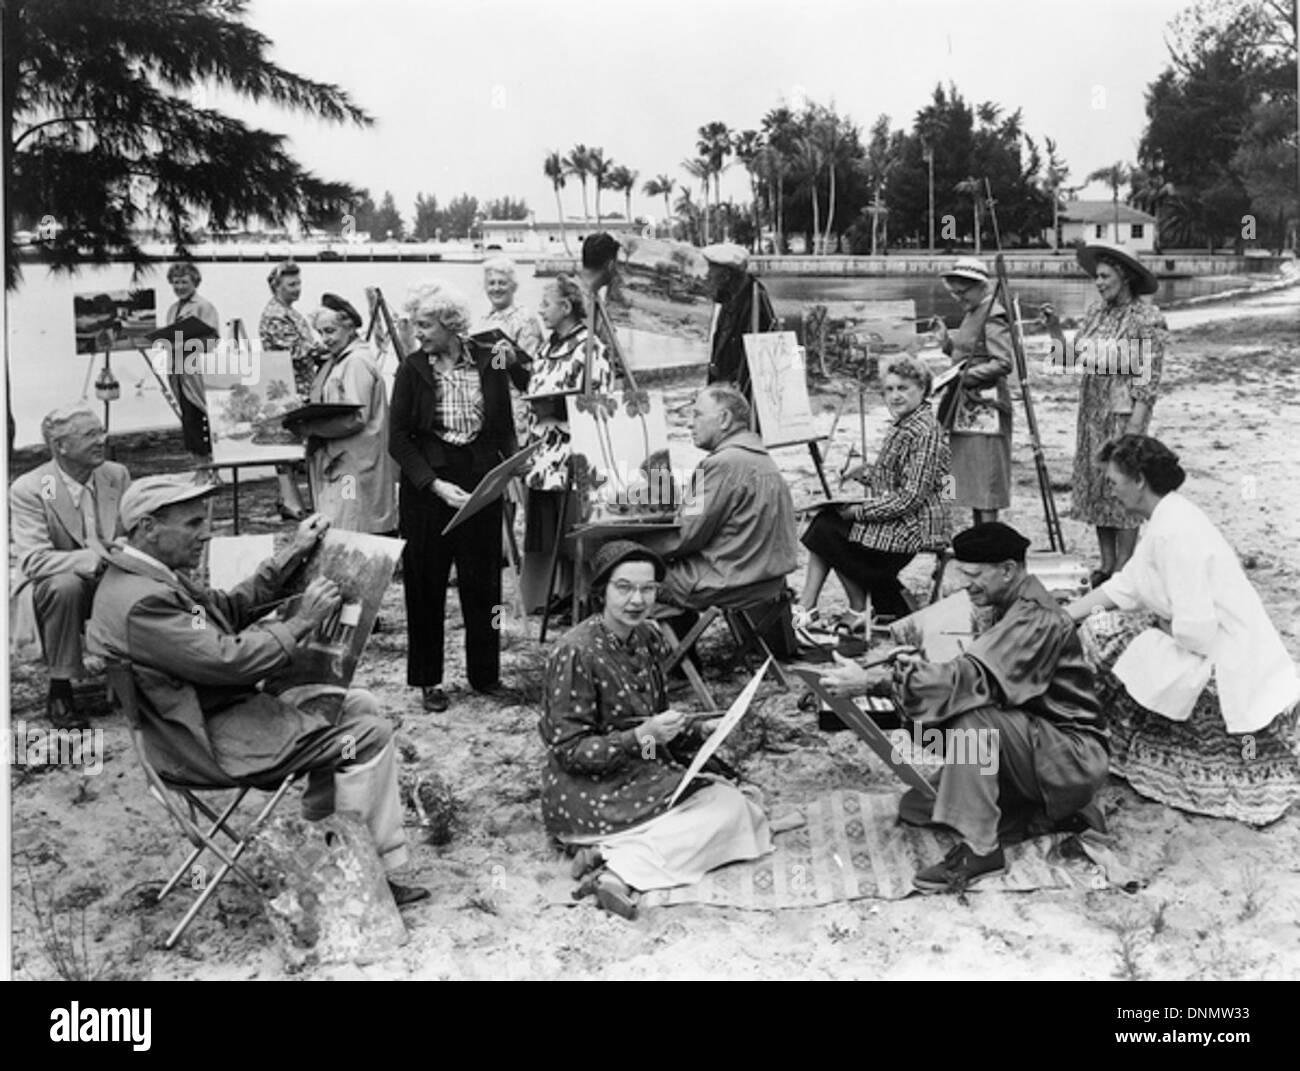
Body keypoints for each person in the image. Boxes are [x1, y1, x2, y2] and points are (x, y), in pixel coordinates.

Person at [85, 475, 427, 905]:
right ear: (148, 528)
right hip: (201, 740)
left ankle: (325, 837)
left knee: (357, 703)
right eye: (192, 524)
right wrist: (302, 621)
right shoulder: (143, 602)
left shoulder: (147, 577)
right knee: (369, 734)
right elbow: (228, 660)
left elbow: (225, 610)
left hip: (203, 716)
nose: (205, 533)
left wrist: (294, 553)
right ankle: (363, 873)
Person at [820, 522, 1109, 894]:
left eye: (975, 576)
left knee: (974, 718)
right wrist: (917, 665)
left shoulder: (1036, 618)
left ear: (1008, 569)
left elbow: (971, 679)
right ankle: (1038, 815)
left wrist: (877, 682)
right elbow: (975, 673)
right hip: (1034, 742)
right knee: (919, 806)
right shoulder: (1005, 604)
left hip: (1070, 758)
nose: (967, 585)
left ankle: (983, 850)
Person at [1065, 435, 1300, 825]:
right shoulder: (1167, 517)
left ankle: (1152, 755)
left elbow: (1197, 632)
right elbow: (1128, 584)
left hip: (1225, 657)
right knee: (1100, 625)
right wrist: (1066, 613)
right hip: (1212, 640)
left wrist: (1155, 625)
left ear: (1139, 480)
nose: (1111, 490)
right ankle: (1130, 749)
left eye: (1114, 481)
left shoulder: (1175, 532)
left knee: (1107, 637)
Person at [539, 540, 773, 919]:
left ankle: (608, 857)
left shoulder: (647, 638)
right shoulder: (575, 651)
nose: (637, 600)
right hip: (585, 789)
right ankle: (618, 868)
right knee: (731, 810)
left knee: (740, 804)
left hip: (637, 770)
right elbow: (569, 751)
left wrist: (698, 730)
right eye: (624, 587)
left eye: (648, 589)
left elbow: (652, 724)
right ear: (601, 591)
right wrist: (643, 738)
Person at [389, 281, 531, 713]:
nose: (418, 333)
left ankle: (485, 674)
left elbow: (509, 412)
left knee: (484, 584)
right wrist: (431, 483)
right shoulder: (412, 368)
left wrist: (513, 460)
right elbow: (397, 438)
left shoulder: (490, 359)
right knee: (425, 585)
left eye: (426, 325)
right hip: (429, 488)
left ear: (451, 325)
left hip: (481, 482)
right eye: (415, 324)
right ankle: (428, 680)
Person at [794, 354, 951, 636]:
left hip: (915, 528)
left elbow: (910, 497)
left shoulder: (925, 431)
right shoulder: (906, 424)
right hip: (904, 519)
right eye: (889, 389)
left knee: (828, 529)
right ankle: (816, 606)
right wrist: (863, 474)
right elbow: (893, 482)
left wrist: (858, 511)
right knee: (827, 522)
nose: (895, 396)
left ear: (923, 388)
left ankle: (838, 606)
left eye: (903, 388)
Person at [1044, 241, 1167, 585]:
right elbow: (1067, 359)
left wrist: (1136, 428)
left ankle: (1125, 567)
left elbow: (1148, 379)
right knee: (1100, 483)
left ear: (1124, 276)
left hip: (1123, 413)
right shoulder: (1095, 313)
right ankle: (1107, 562)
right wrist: (1053, 327)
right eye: (1096, 277)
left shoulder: (1147, 319)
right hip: (1092, 411)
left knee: (1123, 484)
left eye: (1104, 276)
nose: (1098, 283)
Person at [10, 407, 130, 728]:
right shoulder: (33, 487)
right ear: (60, 446)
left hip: (111, 576)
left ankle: (139, 677)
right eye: (91, 435)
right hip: (55, 586)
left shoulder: (115, 475)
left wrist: (121, 552)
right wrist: (91, 559)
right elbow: (34, 560)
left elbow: (129, 532)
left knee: (140, 581)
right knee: (66, 586)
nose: (102, 440)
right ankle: (60, 687)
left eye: (101, 431)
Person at [642, 384, 798, 614]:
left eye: (697, 415)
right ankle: (684, 644)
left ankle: (672, 647)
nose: (689, 423)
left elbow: (685, 535)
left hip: (723, 582)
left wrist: (636, 546)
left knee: (626, 577)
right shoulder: (764, 461)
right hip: (765, 581)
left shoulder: (719, 464)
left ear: (724, 419)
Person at [519, 273, 612, 613]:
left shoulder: (590, 348)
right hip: (544, 451)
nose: (540, 311)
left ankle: (583, 595)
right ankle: (560, 593)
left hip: (572, 449)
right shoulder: (547, 346)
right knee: (549, 531)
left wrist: (562, 408)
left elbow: (601, 401)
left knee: (574, 528)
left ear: (566, 306)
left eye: (546, 304)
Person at [289, 293, 396, 534]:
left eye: (330, 331)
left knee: (350, 521)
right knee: (342, 518)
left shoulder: (356, 362)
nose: (325, 339)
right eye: (321, 333)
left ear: (348, 327)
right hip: (345, 460)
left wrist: (309, 427)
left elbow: (355, 416)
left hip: (353, 465)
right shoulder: (342, 360)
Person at [932, 256, 1013, 525]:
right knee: (966, 474)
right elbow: (968, 351)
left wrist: (965, 378)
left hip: (986, 407)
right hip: (965, 406)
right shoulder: (973, 312)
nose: (958, 298)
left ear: (979, 286)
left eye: (962, 291)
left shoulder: (992, 313)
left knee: (986, 475)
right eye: (954, 292)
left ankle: (989, 538)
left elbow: (1003, 362)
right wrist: (946, 343)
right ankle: (979, 536)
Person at [257, 260, 316, 520]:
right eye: (291, 284)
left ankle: (290, 499)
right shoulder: (275, 315)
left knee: (293, 446)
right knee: (288, 446)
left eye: (299, 283)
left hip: (299, 385)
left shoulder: (289, 311)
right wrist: (325, 349)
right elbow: (295, 352)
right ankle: (290, 501)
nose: (297, 289)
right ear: (276, 287)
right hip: (287, 386)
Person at [701, 242, 777, 397]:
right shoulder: (731, 296)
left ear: (726, 275)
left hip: (742, 394)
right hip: (726, 387)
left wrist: (734, 392)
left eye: (712, 271)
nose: (707, 276)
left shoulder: (754, 299)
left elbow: (755, 360)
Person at [163, 261, 220, 457]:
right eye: (176, 283)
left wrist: (183, 344)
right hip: (176, 371)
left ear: (194, 282)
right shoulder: (172, 309)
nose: (179, 287)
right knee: (188, 419)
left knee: (200, 416)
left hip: (195, 371)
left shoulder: (204, 306)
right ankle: (199, 464)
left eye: (184, 282)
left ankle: (210, 464)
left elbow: (212, 341)